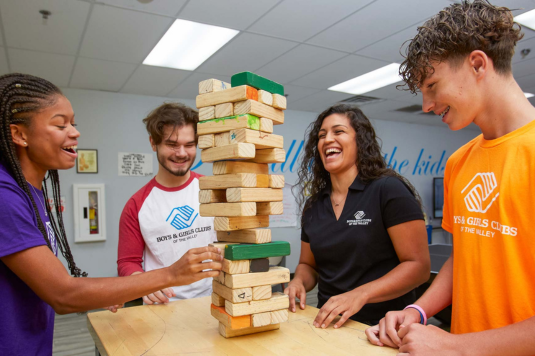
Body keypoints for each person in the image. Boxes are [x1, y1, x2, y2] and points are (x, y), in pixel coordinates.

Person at [0, 73, 222, 355]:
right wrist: (163, 277)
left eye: (73, 123)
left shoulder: (29, 192)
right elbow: (65, 293)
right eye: (60, 124)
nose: (75, 132)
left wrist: (117, 289)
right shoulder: (6, 195)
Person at [365, 1, 535, 354]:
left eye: (432, 85)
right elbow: (466, 258)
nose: (426, 105)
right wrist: (418, 310)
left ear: (477, 64)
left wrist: (458, 347)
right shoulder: (459, 162)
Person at [285, 103, 430, 329]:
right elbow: (308, 265)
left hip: (384, 327)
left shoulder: (388, 190)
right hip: (328, 323)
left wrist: (359, 295)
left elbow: (418, 267)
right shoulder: (314, 206)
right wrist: (298, 281)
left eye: (338, 131)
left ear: (360, 141)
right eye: (322, 135)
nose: (327, 139)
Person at [117, 103, 217, 304]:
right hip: (163, 306)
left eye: (189, 145)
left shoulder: (213, 189)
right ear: (153, 143)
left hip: (215, 299)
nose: (181, 153)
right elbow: (128, 263)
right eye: (172, 144)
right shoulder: (136, 205)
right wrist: (141, 282)